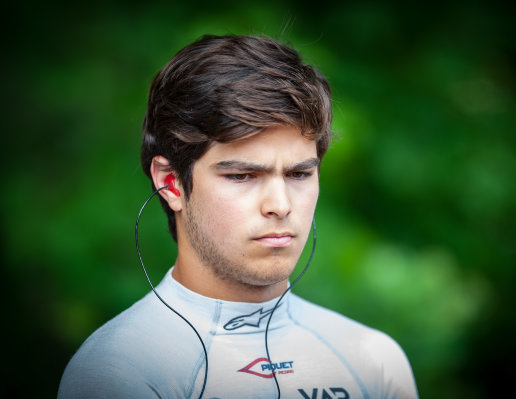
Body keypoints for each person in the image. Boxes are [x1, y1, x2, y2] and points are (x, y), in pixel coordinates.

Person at [58, 34, 418, 399]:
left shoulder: (374, 362)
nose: (280, 205)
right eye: (242, 176)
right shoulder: (117, 371)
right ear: (171, 183)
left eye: (299, 174)